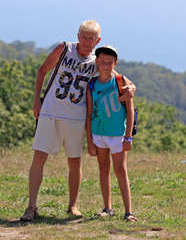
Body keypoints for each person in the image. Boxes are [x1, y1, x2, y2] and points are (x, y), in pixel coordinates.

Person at [20, 20, 136, 222]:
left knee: (75, 161)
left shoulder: (96, 61)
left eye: (91, 38)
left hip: (75, 117)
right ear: (77, 35)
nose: (87, 41)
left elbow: (117, 77)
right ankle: (31, 207)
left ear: (98, 40)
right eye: (84, 36)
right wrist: (36, 101)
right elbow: (42, 71)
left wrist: (132, 88)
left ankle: (73, 205)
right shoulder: (64, 49)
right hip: (50, 112)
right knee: (39, 158)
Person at [86, 45, 137, 222]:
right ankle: (107, 208)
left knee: (121, 171)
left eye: (110, 62)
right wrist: (89, 139)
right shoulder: (92, 84)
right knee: (103, 170)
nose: (106, 65)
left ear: (115, 63)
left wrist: (128, 136)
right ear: (97, 62)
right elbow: (89, 112)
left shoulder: (121, 81)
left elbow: (130, 111)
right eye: (103, 62)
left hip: (117, 135)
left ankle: (128, 211)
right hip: (98, 133)